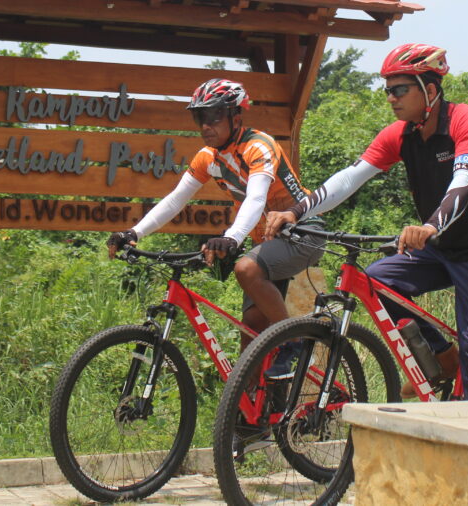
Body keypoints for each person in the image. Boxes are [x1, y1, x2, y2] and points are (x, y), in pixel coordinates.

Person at [265, 43, 468, 400]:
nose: (390, 98)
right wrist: (296, 211)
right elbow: (350, 178)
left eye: (399, 89)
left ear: (429, 90)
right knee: (376, 281)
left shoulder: (466, 120)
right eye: (387, 90)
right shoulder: (400, 134)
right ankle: (441, 356)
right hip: (443, 247)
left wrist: (430, 226)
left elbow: (464, 181)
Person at [107, 78, 324, 362]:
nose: (206, 125)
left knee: (246, 269)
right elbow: (176, 200)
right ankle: (261, 389)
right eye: (200, 117)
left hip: (303, 232)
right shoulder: (208, 157)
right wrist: (134, 232)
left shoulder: (258, 146)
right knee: (252, 332)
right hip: (268, 241)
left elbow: (256, 197)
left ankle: (292, 345)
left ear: (236, 116)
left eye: (214, 116)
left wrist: (232, 237)